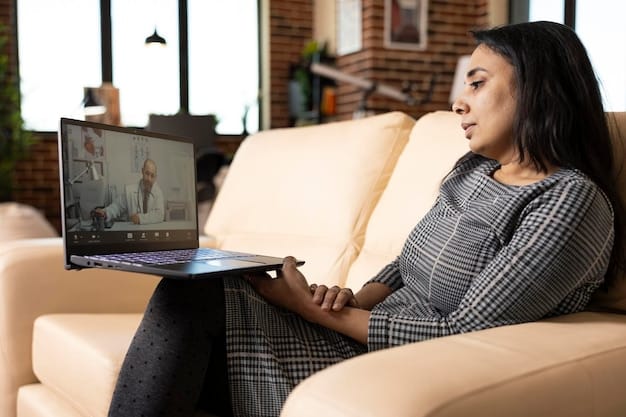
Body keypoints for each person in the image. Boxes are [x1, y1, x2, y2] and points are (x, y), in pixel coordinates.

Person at [107, 21, 624, 417]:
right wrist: (350, 297)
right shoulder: (473, 170)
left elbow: (463, 332)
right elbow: (406, 263)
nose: (457, 101)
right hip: (358, 328)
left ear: (539, 88)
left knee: (194, 317)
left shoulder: (569, 201)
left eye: (478, 82)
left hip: (395, 361)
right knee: (203, 285)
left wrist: (313, 312)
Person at [95, 158, 165, 225]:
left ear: (155, 177)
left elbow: (160, 215)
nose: (149, 179)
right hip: (134, 232)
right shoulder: (130, 191)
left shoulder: (158, 192)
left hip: (151, 232)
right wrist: (105, 213)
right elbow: (116, 207)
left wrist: (140, 218)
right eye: (147, 173)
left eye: (152, 176)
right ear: (142, 171)